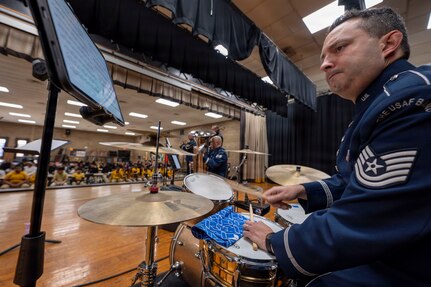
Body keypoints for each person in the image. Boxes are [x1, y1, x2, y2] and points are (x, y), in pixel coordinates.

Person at [243, 7, 431, 287]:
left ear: (388, 45)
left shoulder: (411, 99)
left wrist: (275, 240)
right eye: (323, 57)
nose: (325, 64)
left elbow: (369, 218)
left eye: (339, 48)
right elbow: (358, 180)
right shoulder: (375, 106)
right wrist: (305, 190)